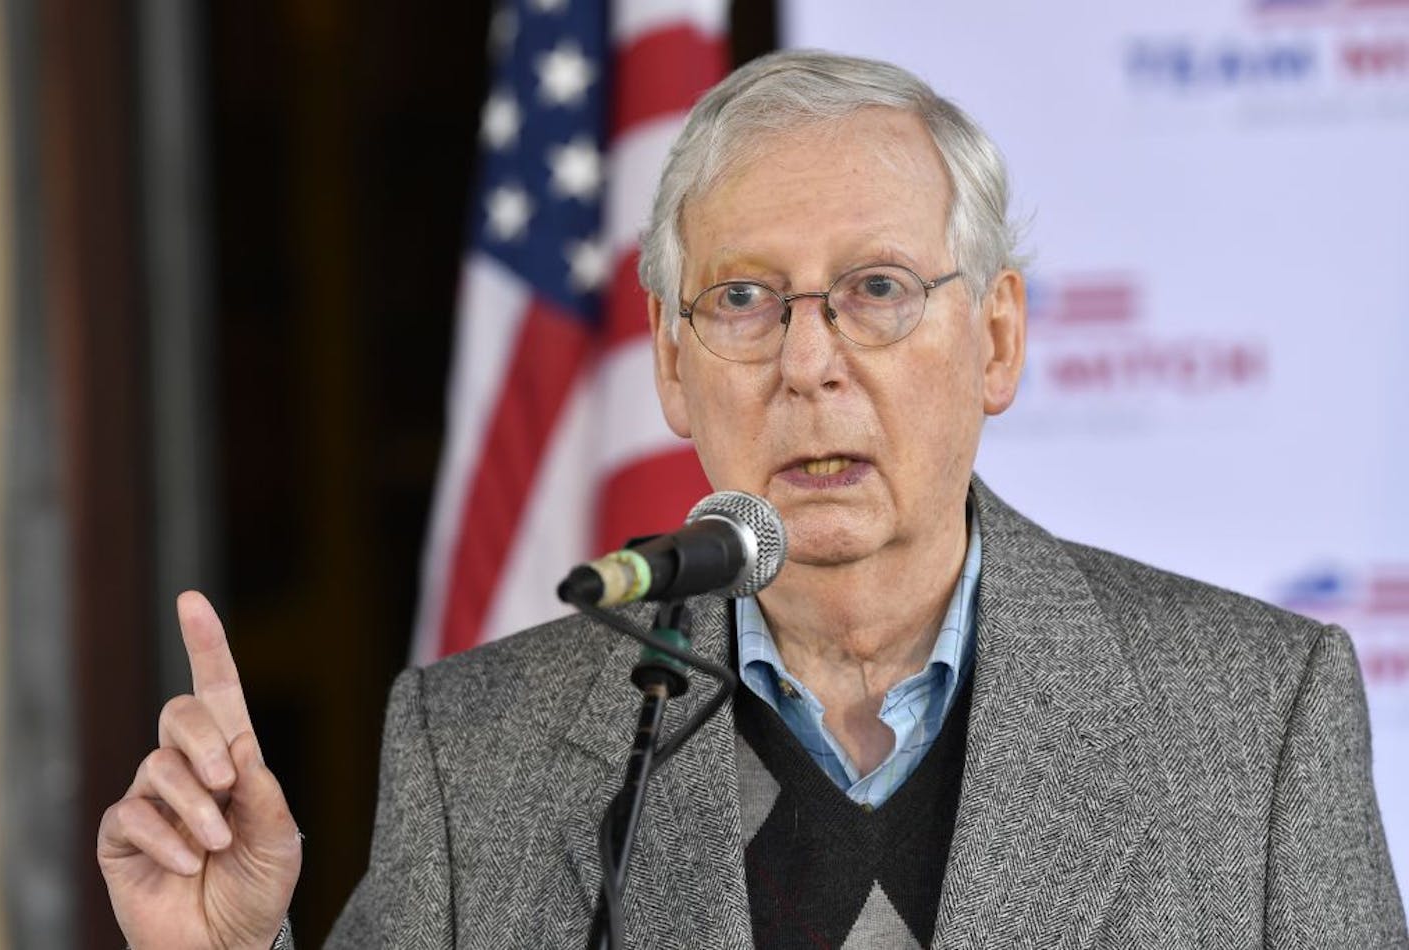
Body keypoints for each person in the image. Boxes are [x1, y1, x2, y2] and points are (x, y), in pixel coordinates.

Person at [97, 50, 1407, 949]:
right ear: (671, 362)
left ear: (997, 338)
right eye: (743, 299)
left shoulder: (1255, 716)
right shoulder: (480, 746)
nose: (809, 359)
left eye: (880, 289)